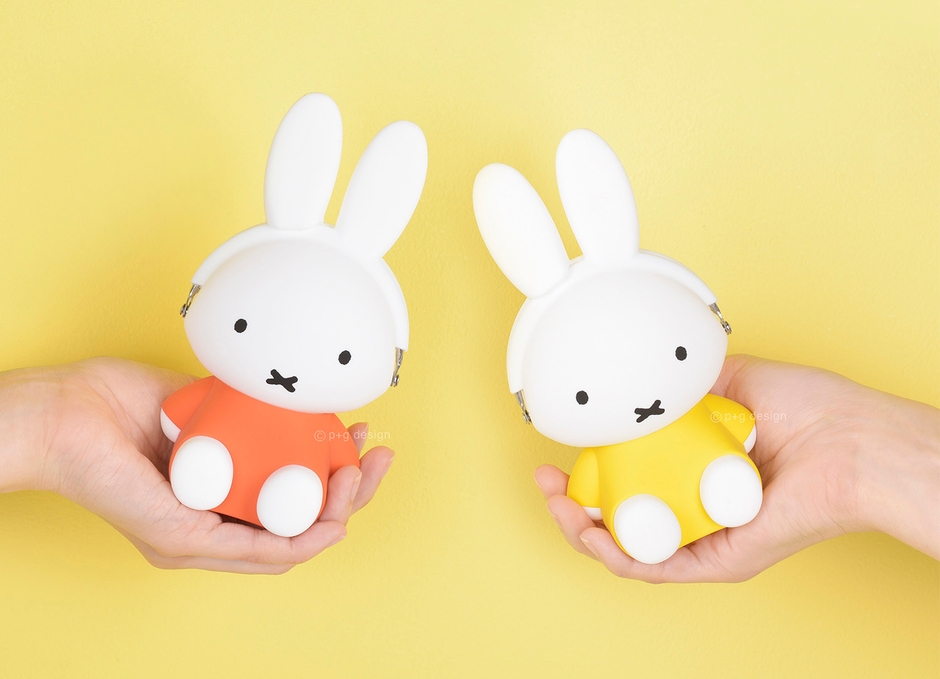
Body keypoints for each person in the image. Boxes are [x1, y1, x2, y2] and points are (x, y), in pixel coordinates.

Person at [535, 354, 940, 582]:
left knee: (724, 468)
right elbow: (588, 496)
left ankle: (724, 486)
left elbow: (738, 423)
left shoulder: (692, 407)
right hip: (647, 494)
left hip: (716, 462)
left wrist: (849, 438)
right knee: (642, 507)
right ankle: (647, 523)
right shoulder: (604, 448)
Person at [0, 357, 394, 574]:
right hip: (213, 451)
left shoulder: (316, 416)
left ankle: (288, 494)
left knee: (292, 481)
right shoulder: (227, 386)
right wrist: (52, 428)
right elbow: (178, 413)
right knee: (207, 452)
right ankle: (210, 471)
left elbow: (340, 455)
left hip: (280, 472)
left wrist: (52, 427)